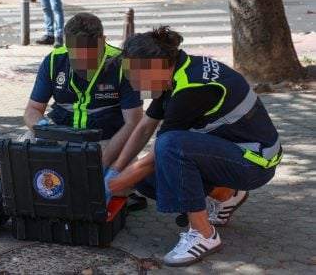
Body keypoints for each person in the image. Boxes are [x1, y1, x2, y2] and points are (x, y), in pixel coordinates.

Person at [105, 26, 282, 267]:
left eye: (137, 78)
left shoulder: (191, 88)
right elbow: (145, 127)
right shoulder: (174, 71)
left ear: (156, 67)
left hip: (254, 163)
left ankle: (204, 235)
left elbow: (158, 153)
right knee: (145, 180)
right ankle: (226, 194)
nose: (135, 86)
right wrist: (115, 170)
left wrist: (110, 186)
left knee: (169, 146)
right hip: (234, 151)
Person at [23, 13, 143, 173]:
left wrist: (102, 162)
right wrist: (45, 130)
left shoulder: (124, 65)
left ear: (102, 41)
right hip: (59, 138)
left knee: (123, 180)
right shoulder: (54, 60)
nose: (83, 63)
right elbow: (33, 109)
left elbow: (133, 123)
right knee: (24, 150)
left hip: (107, 141)